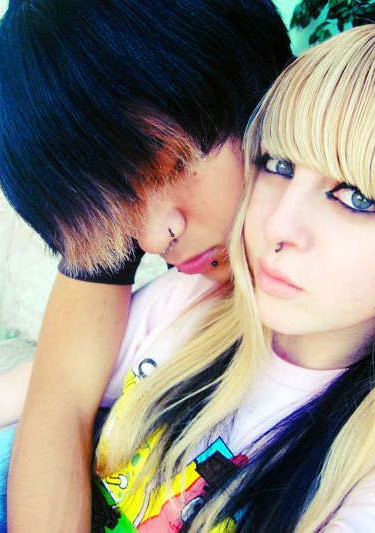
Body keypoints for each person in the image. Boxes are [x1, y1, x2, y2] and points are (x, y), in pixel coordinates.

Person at [0, 0, 292, 531]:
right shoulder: (170, 294)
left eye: (176, 165)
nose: (151, 239)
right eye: (122, 218)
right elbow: (59, 394)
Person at [89, 24, 375, 531]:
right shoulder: (192, 300)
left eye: (356, 197)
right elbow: (40, 397)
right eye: (278, 165)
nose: (277, 225)